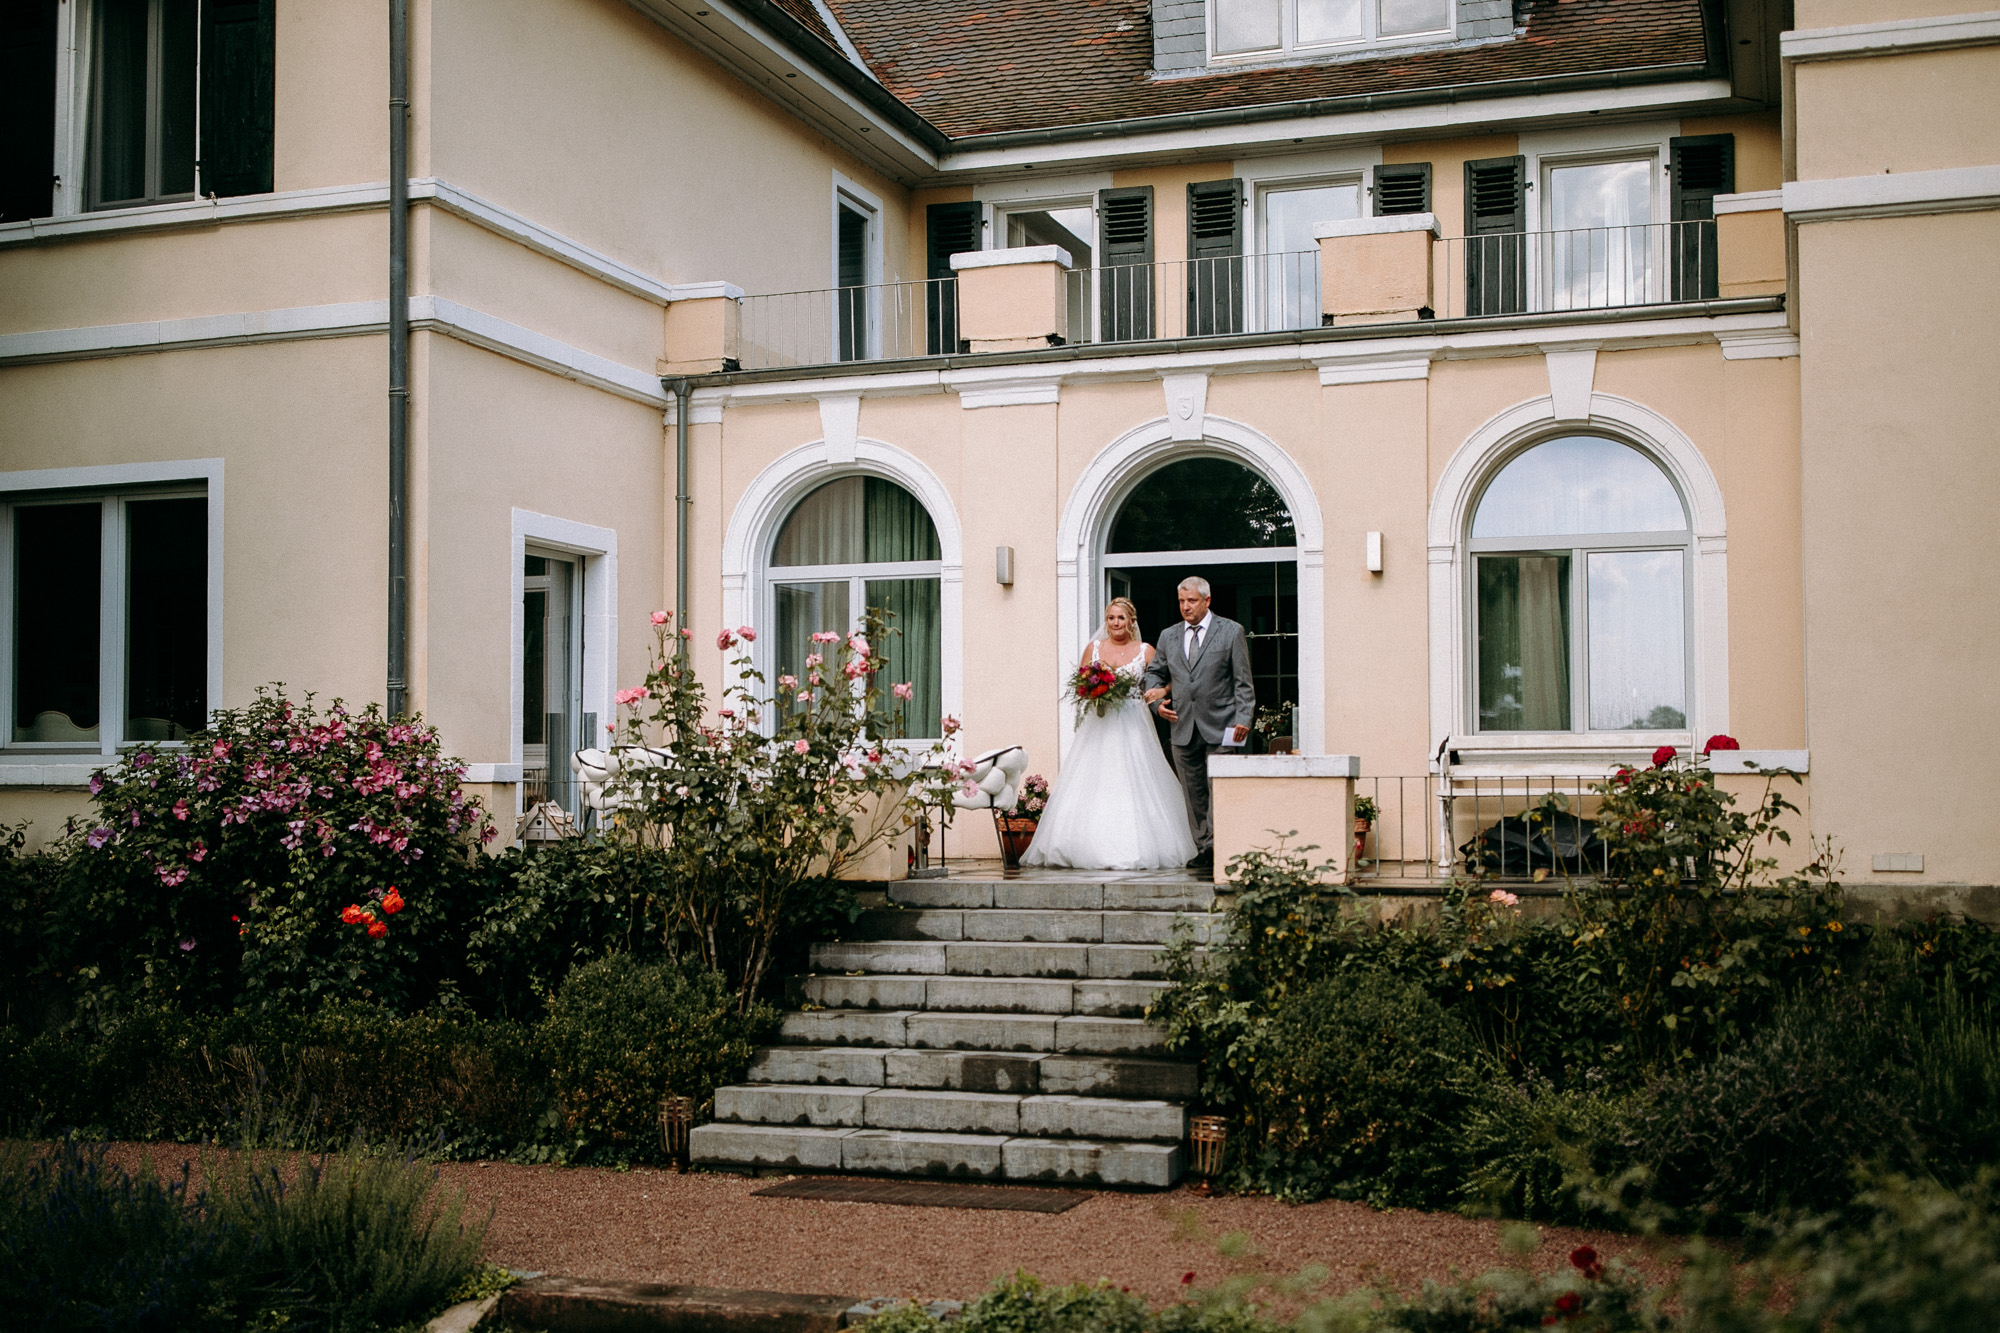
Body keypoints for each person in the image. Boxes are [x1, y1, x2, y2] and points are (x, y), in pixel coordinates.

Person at [1020, 598, 1198, 871]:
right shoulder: (1094, 649)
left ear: (1131, 622)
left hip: (1133, 724)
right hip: (1099, 725)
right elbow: (1081, 683)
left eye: (1121, 618)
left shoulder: (1145, 650)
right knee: (1093, 780)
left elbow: (1172, 678)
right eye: (1111, 618)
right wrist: (1093, 690)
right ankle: (1083, 845)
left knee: (1132, 780)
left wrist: (1160, 694)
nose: (1116, 623)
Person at [1142, 576, 1254, 870]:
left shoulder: (1231, 632)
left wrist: (1243, 719)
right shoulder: (1168, 636)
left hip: (1224, 725)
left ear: (1207, 600)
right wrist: (1156, 704)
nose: (1185, 607)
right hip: (1182, 725)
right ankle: (1204, 847)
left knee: (1218, 787)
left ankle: (1220, 845)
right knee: (1193, 793)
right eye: (1181, 601)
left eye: (1191, 601)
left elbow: (1243, 683)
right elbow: (1154, 674)